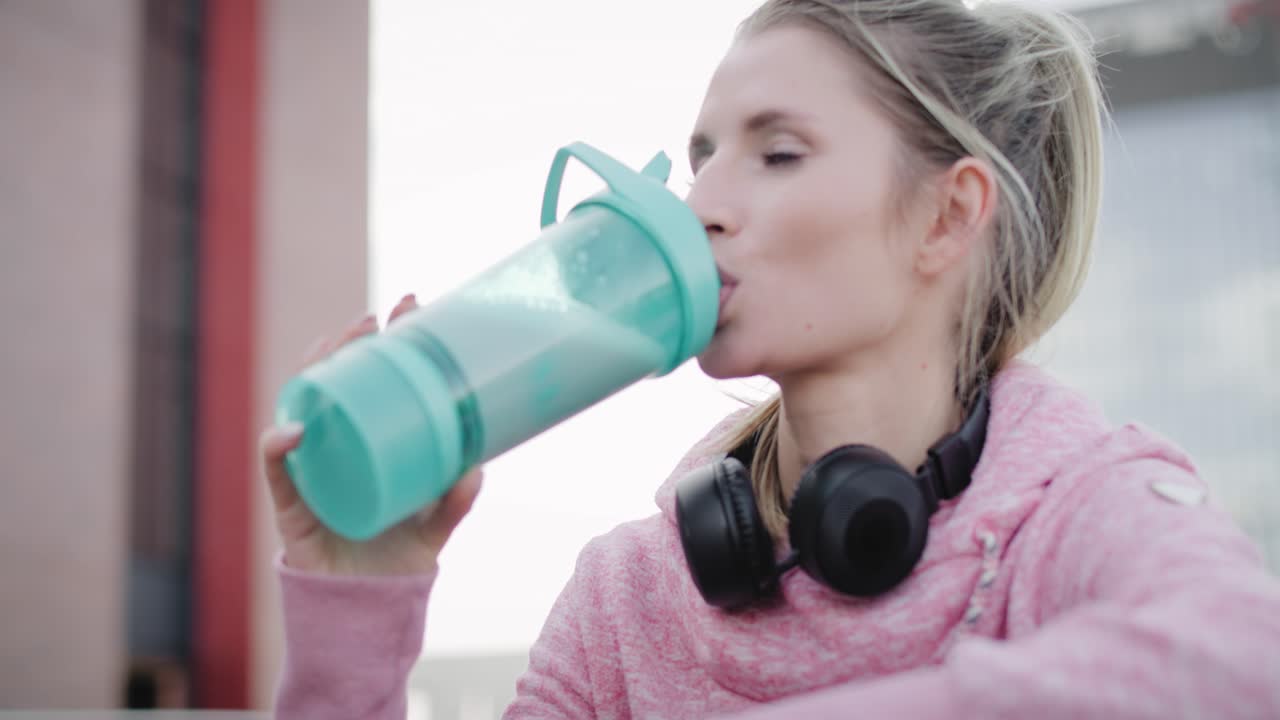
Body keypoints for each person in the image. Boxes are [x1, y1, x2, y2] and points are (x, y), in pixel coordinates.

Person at [260, 0, 1280, 717]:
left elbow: (1245, 670)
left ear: (943, 217)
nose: (699, 204)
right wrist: (358, 605)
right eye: (702, 155)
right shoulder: (632, 596)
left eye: (776, 151)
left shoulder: (1083, 517)